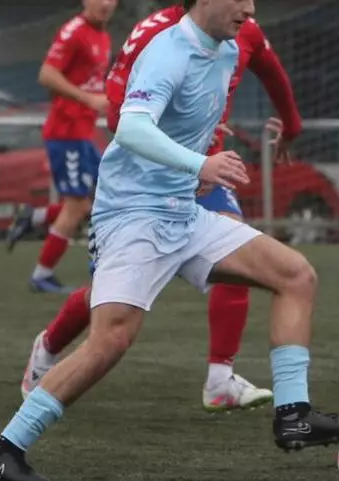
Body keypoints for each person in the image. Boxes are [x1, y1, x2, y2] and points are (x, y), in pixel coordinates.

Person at [0, 0, 339, 481]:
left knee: (295, 275)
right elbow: (132, 127)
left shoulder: (226, 50)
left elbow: (190, 123)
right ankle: (5, 448)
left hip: (183, 213)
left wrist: (196, 163)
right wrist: (200, 165)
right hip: (133, 216)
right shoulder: (167, 52)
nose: (250, 7)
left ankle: (294, 414)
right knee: (111, 340)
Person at [18, 0, 304, 413]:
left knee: (246, 253)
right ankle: (47, 348)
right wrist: (184, 154)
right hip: (146, 183)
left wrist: (291, 125)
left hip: (207, 171)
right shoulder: (156, 34)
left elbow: (270, 68)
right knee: (108, 302)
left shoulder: (240, 27)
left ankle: (220, 379)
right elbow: (122, 117)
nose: (248, 8)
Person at [10, 0, 117, 293]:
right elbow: (47, 74)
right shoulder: (74, 32)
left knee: (104, 198)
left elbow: (90, 82)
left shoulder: (102, 35)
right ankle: (41, 275)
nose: (106, 3)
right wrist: (87, 99)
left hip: (83, 132)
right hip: (66, 131)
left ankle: (34, 217)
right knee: (76, 206)